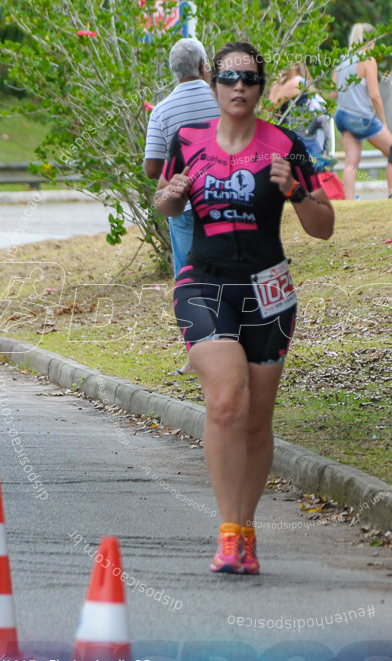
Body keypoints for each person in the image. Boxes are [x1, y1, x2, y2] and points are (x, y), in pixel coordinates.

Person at [155, 41, 335, 574]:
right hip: (203, 282)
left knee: (256, 421)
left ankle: (246, 529)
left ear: (262, 87)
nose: (239, 88)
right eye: (229, 79)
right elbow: (163, 198)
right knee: (227, 398)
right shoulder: (186, 140)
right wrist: (173, 196)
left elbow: (324, 226)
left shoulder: (287, 144)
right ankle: (227, 533)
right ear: (213, 83)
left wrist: (297, 194)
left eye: (250, 80)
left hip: (268, 289)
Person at [143, 38, 220, 279]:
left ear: (174, 71)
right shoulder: (225, 102)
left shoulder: (161, 111)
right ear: (201, 66)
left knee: (190, 280)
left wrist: (180, 168)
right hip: (225, 202)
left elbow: (152, 169)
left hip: (184, 205)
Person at [333, 23, 392, 199]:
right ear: (371, 41)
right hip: (362, 118)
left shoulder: (342, 59)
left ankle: (349, 203)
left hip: (342, 115)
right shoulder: (368, 59)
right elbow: (375, 96)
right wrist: (383, 120)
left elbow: (333, 92)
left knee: (351, 162)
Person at [268, 63, 332, 172]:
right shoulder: (302, 81)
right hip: (312, 142)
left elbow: (268, 106)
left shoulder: (295, 83)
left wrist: (275, 83)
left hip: (302, 142)